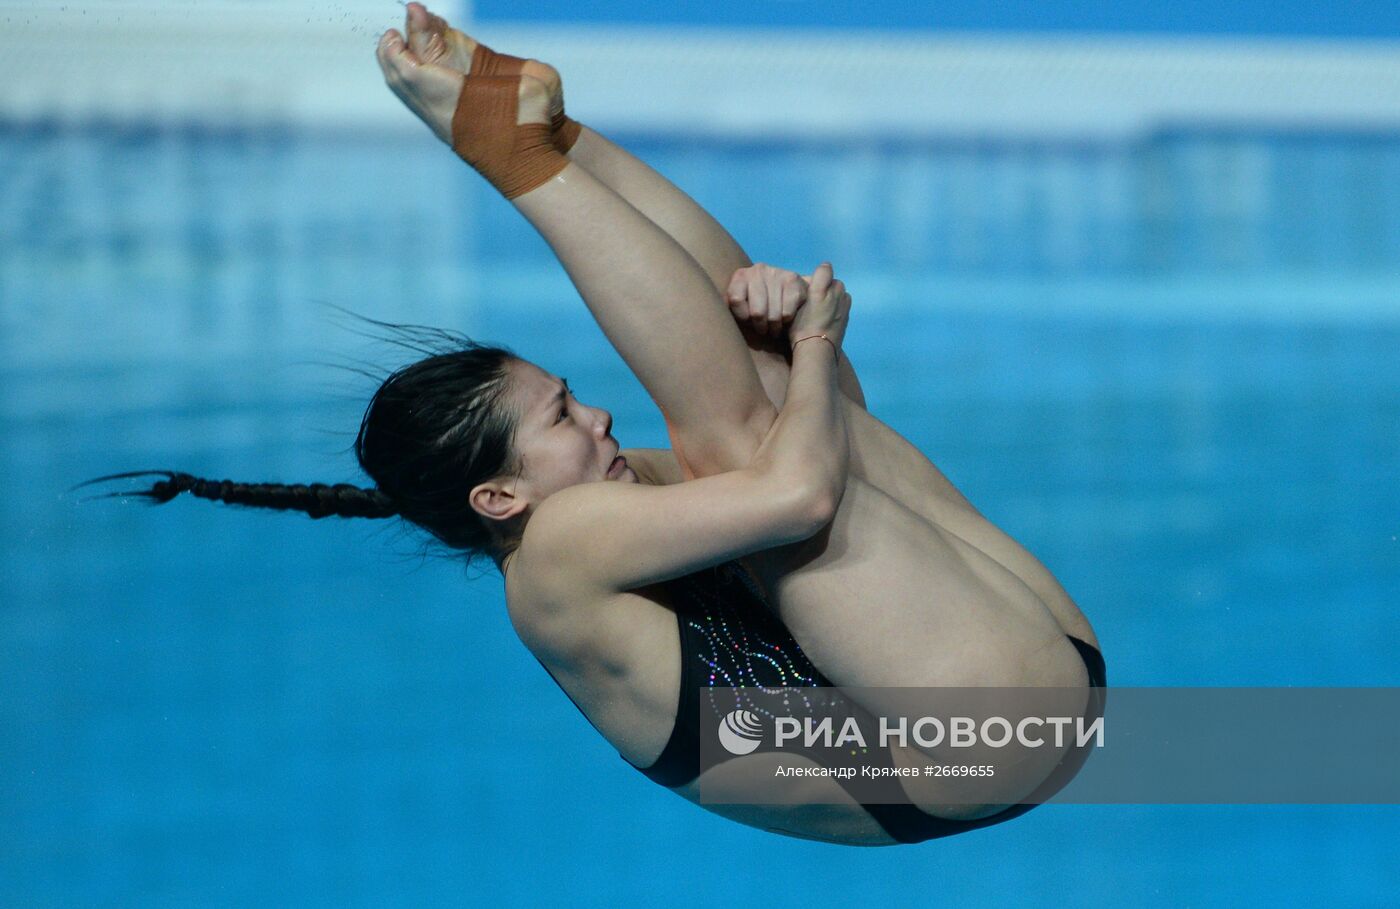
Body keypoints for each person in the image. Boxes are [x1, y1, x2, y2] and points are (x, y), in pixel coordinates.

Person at [93, 4, 1104, 846]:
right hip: (981, 738)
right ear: (499, 498)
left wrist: (776, 328)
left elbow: (814, 439)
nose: (599, 413)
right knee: (753, 424)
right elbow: (797, 489)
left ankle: (554, 133)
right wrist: (805, 348)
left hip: (1014, 693)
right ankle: (514, 150)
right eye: (562, 416)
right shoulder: (557, 552)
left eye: (572, 392)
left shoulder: (595, 509)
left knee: (761, 387)